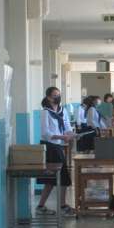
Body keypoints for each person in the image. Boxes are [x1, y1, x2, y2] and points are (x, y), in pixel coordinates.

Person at [36, 86, 75, 216]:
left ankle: (45, 205)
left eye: (58, 94)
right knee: (52, 179)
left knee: (60, 178)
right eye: (54, 95)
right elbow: (45, 133)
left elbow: (67, 127)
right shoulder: (45, 112)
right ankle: (58, 206)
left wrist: (72, 134)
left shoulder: (63, 110)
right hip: (49, 147)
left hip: (58, 146)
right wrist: (62, 137)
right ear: (48, 97)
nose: (57, 97)